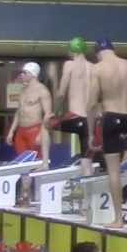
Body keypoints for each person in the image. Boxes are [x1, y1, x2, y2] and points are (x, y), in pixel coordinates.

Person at [86, 38, 127, 229]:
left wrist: (91, 131)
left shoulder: (98, 68)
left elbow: (92, 103)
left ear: (98, 53)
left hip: (111, 118)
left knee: (114, 172)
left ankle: (119, 218)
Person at [47, 37, 94, 175]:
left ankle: (44, 163)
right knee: (87, 160)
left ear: (72, 50)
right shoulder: (93, 67)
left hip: (74, 117)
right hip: (89, 121)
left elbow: (61, 93)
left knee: (45, 124)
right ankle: (89, 195)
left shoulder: (69, 65)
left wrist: (54, 113)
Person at [7, 63, 52, 205]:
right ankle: (25, 194)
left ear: (33, 74)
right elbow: (19, 112)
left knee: (36, 164)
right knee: (23, 165)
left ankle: (37, 195)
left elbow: (48, 115)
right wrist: (11, 130)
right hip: (21, 131)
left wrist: (42, 133)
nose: (22, 75)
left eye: (24, 73)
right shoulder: (23, 91)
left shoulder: (42, 90)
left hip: (35, 129)